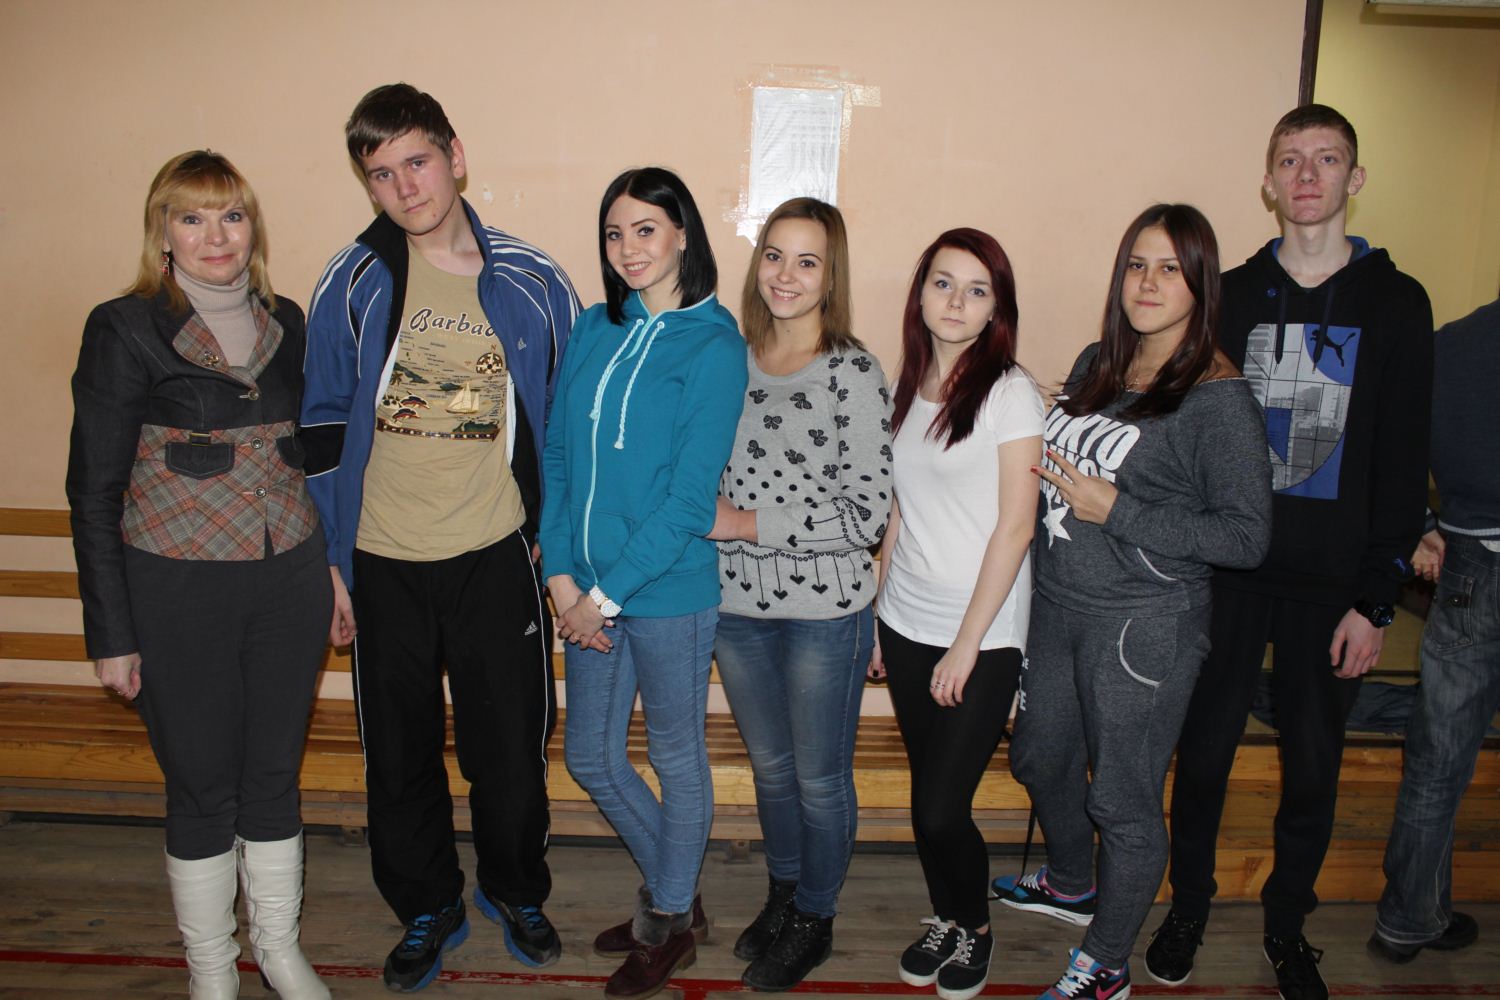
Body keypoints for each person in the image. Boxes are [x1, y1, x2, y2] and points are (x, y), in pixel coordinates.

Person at [1145, 105, 1434, 1000]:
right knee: (1203, 756)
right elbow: (1186, 436)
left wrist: (1377, 599)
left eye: (1327, 159)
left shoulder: (1397, 302)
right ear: (1267, 184)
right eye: (1290, 161)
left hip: (1332, 589)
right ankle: (1188, 907)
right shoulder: (1227, 297)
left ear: (1356, 178)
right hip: (1228, 576)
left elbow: (1402, 461)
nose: (1308, 176)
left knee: (1313, 768)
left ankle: (1286, 925)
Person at [300, 83, 579, 991]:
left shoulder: (534, 282)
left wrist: (555, 539)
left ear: (455, 156)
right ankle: (426, 904)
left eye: (417, 162)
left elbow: (564, 425)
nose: (404, 187)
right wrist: (332, 562)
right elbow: (321, 423)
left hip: (496, 553)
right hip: (382, 559)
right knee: (398, 753)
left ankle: (515, 889)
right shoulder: (352, 281)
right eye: (381, 174)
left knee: (510, 749)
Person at [66, 150, 332, 1000]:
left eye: (231, 215)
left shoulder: (287, 319)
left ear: (253, 228)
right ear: (163, 233)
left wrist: (331, 573)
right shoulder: (124, 327)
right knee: (201, 786)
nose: (215, 236)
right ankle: (212, 970)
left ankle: (279, 950)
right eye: (192, 217)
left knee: (273, 776)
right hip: (177, 589)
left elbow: (306, 458)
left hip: (288, 580)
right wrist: (111, 633)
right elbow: (93, 491)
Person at [1001, 204, 1272, 1000]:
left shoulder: (1218, 398)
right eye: (1136, 265)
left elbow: (1248, 537)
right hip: (1059, 606)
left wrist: (1118, 510)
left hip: (1144, 626)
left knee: (1120, 798)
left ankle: (1108, 962)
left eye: (1170, 269)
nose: (1148, 283)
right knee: (1037, 756)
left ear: (1201, 284)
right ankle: (1071, 881)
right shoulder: (1100, 363)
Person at [541, 166, 747, 1000]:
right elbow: (558, 456)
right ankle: (676, 893)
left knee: (673, 756)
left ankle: (666, 918)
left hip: (666, 595)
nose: (628, 249)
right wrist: (560, 576)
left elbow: (690, 503)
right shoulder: (596, 326)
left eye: (646, 230)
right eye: (614, 233)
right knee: (591, 756)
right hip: (584, 591)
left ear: (683, 234)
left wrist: (603, 598)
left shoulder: (715, 345)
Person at [709, 197, 892, 991]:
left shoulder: (853, 372)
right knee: (773, 772)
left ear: (831, 276)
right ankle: (784, 895)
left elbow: (866, 513)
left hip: (825, 615)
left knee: (820, 780)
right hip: (736, 610)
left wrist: (746, 524)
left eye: (807, 261)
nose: (786, 274)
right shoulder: (731, 359)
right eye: (774, 255)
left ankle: (816, 916)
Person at [871, 228, 1044, 1000]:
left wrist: (968, 645)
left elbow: (1017, 526)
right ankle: (945, 914)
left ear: (995, 309)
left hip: (982, 634)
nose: (956, 301)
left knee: (944, 809)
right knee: (925, 798)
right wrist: (879, 612)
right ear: (921, 293)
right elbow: (899, 510)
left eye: (977, 290)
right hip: (907, 622)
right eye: (943, 283)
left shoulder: (1011, 394)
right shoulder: (907, 386)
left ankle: (974, 927)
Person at [1368, 295, 1498, 964]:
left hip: (1470, 560)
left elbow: (1390, 443)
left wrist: (1422, 524)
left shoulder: (1451, 344)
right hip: (1470, 558)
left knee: (1438, 757)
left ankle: (1407, 919)